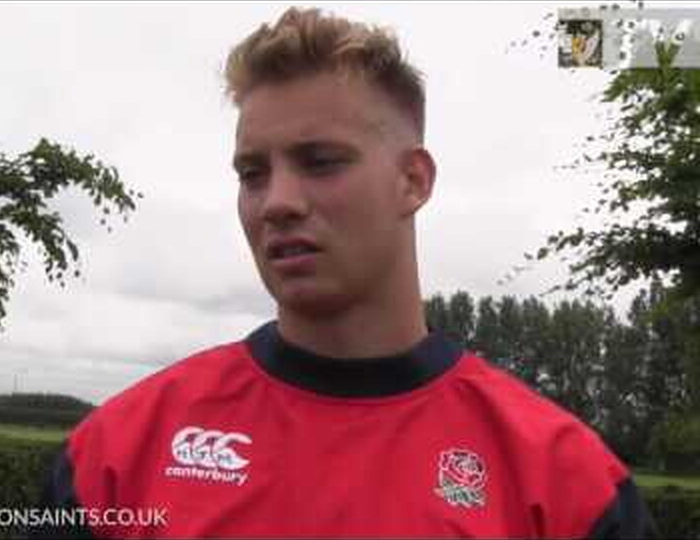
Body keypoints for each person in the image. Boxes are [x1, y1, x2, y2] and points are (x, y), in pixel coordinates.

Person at [34, 7, 657, 538]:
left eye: (321, 162)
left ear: (412, 181)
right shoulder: (115, 457)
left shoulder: (568, 486)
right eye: (253, 174)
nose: (277, 202)